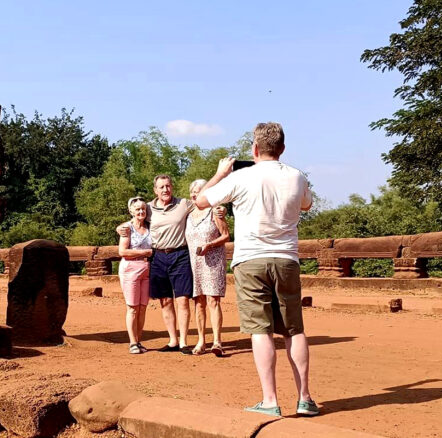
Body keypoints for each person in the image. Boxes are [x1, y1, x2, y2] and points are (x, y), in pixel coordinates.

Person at [196, 122, 318, 417]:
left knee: (260, 330)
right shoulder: (297, 176)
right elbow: (306, 206)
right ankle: (304, 399)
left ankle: (270, 401)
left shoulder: (241, 177)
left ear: (254, 149)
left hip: (250, 260)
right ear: (282, 149)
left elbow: (200, 201)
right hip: (286, 259)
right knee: (294, 329)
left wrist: (220, 174)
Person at [118, 175, 225, 354]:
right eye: (161, 187)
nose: (165, 190)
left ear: (172, 187)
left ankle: (183, 342)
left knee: (182, 299)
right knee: (165, 301)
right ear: (155, 190)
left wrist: (219, 208)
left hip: (180, 254)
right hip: (159, 256)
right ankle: (173, 340)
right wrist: (120, 228)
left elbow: (203, 202)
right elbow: (135, 218)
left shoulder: (183, 204)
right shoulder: (149, 208)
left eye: (168, 186)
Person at [185, 179, 230, 356]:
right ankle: (201, 341)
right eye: (193, 191)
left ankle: (217, 341)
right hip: (194, 262)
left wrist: (209, 245)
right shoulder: (188, 215)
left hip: (213, 261)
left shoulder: (215, 212)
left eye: (199, 191)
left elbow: (226, 235)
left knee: (213, 300)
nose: (196, 194)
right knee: (198, 302)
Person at [118, 197, 153, 354]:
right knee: (132, 307)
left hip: (147, 269)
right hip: (130, 268)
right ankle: (132, 342)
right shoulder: (127, 228)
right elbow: (123, 251)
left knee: (143, 307)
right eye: (137, 209)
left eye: (143, 209)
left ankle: (138, 341)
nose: (141, 212)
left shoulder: (150, 227)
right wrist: (145, 252)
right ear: (131, 211)